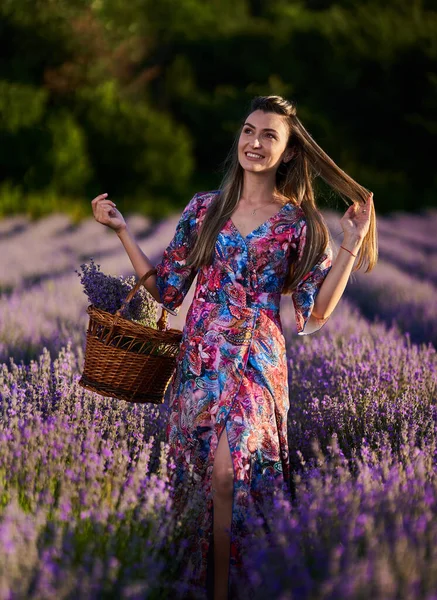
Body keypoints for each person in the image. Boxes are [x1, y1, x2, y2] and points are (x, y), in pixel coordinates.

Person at [91, 95, 376, 600]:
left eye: (270, 136)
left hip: (257, 364)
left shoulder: (299, 223)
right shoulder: (205, 208)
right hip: (201, 362)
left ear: (288, 152)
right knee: (201, 484)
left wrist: (352, 242)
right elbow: (167, 292)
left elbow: (316, 312)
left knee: (231, 474)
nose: (255, 143)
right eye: (249, 131)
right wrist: (122, 233)